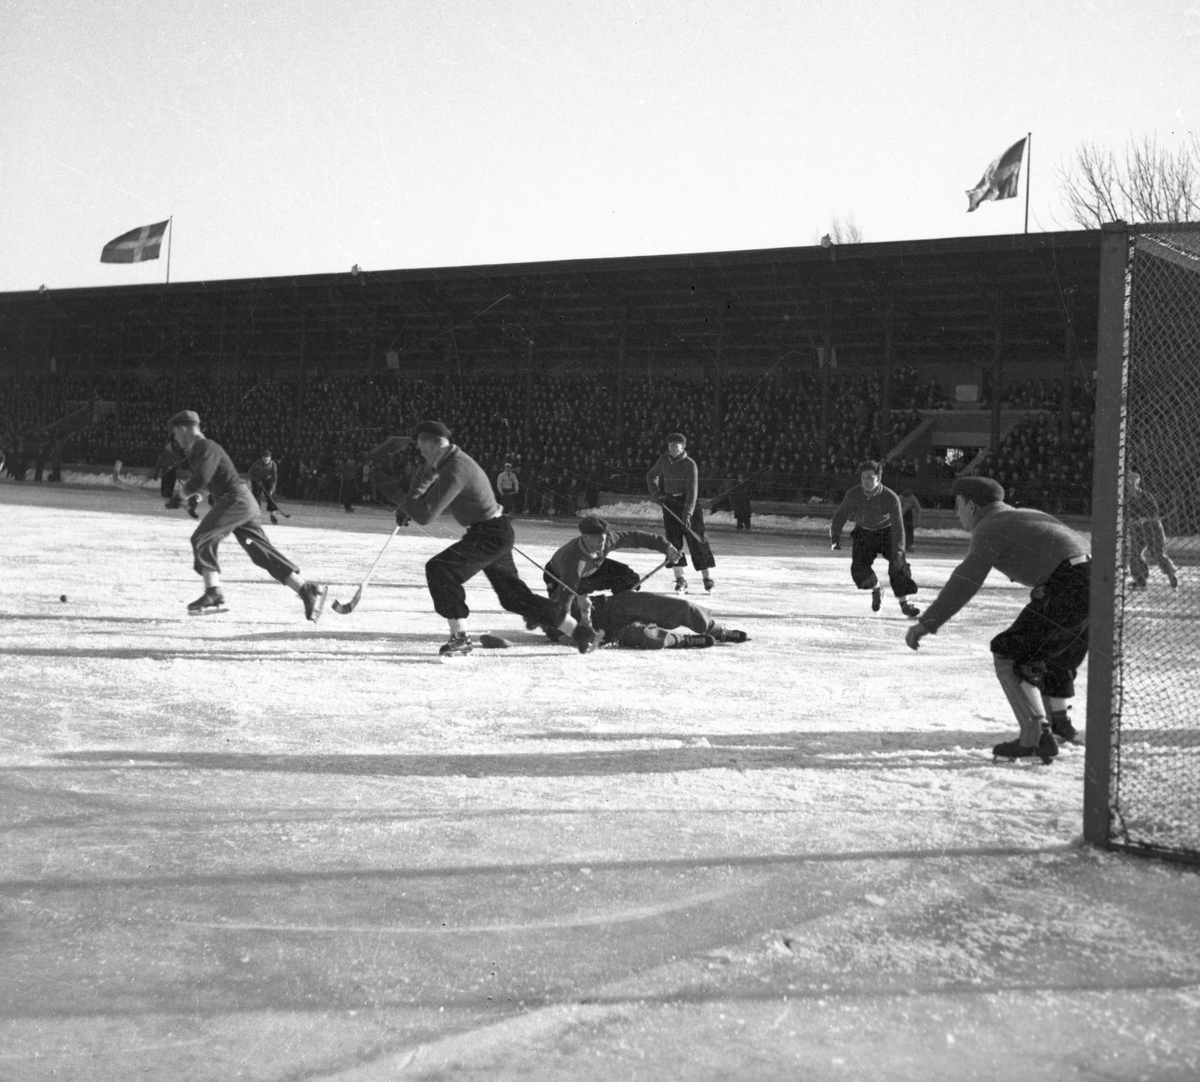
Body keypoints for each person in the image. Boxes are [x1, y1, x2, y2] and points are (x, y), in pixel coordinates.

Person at [905, 476, 1090, 763]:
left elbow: (965, 580)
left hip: (1069, 585)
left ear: (971, 505)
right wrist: (1048, 583)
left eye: (958, 505)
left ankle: (1035, 738)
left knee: (1010, 652)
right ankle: (1058, 722)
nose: (956, 513)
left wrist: (927, 623)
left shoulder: (990, 525)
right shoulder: (1020, 515)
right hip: (1093, 581)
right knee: (1049, 651)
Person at [390, 420, 600, 657]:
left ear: (432, 444)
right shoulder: (446, 458)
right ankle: (579, 632)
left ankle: (460, 637)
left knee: (441, 569)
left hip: (490, 534)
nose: (419, 450)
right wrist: (411, 500)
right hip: (494, 531)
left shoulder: (456, 468)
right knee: (514, 599)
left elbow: (426, 515)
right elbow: (425, 474)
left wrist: (401, 499)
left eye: (420, 445)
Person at [165, 411, 327, 620]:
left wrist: (181, 495)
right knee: (260, 551)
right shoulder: (200, 451)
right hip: (243, 504)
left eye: (175, 434)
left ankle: (213, 592)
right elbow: (209, 480)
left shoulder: (205, 447)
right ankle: (305, 589)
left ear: (183, 429)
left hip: (236, 500)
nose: (176, 439)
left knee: (202, 537)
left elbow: (203, 476)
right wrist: (196, 497)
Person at [830, 460, 920, 618]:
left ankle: (905, 603)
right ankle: (877, 589)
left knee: (899, 566)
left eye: (870, 478)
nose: (865, 481)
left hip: (887, 534)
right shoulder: (853, 494)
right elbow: (841, 515)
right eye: (863, 478)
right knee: (858, 568)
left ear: (878, 479)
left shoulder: (891, 498)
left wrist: (899, 552)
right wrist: (835, 537)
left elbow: (899, 528)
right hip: (864, 534)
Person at [544, 587, 749, 650]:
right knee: (649, 637)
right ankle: (684, 640)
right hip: (615, 631)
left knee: (678, 607)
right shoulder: (554, 629)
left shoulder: (563, 597)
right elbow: (586, 640)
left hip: (618, 604)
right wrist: (585, 614)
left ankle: (716, 630)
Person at [543, 515, 682, 602]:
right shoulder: (573, 561)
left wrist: (667, 547)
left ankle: (622, 605)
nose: (602, 542)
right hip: (559, 578)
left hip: (592, 568)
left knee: (627, 577)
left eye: (604, 537)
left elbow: (636, 537)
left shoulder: (606, 541)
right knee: (572, 602)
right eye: (597, 538)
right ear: (585, 537)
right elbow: (564, 598)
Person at [646, 432, 715, 594]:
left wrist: (688, 513)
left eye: (675, 445)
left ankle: (707, 578)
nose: (672, 448)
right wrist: (656, 494)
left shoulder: (690, 464)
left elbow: (692, 492)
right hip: (670, 504)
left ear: (683, 447)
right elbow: (651, 475)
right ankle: (680, 579)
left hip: (689, 504)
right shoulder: (663, 460)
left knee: (697, 540)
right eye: (670, 445)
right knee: (673, 542)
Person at [1125, 469, 1178, 590]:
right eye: (1128, 484)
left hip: (1152, 528)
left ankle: (1170, 573)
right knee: (1135, 555)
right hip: (1138, 530)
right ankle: (1140, 580)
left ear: (1137, 484)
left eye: (1131, 484)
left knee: (1158, 553)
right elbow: (1127, 515)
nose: (1129, 487)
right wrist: (1132, 521)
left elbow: (1154, 513)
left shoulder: (1146, 496)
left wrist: (1144, 518)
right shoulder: (1127, 499)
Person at [248, 448, 282, 525]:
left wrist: (271, 489)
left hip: (267, 480)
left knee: (271, 496)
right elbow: (250, 474)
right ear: (262, 458)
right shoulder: (257, 463)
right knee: (256, 496)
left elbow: (274, 479)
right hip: (256, 480)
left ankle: (273, 515)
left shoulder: (273, 465)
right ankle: (255, 515)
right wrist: (257, 481)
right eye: (264, 457)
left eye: (267, 457)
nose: (266, 459)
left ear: (270, 458)